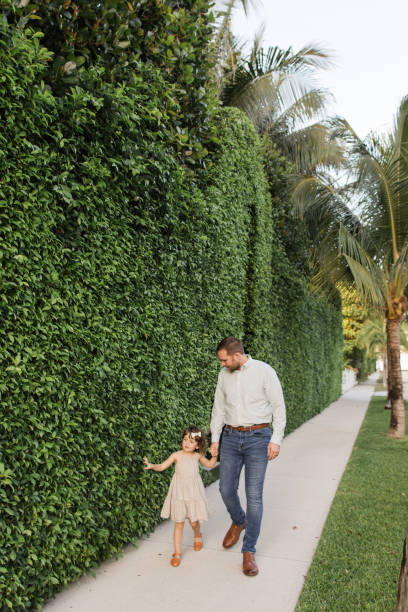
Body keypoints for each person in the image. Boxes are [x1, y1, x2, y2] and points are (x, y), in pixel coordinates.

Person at [209, 336, 286, 577]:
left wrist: (276, 440)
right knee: (225, 489)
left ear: (236, 356)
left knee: (254, 495)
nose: (222, 364)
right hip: (231, 437)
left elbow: (279, 407)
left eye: (224, 360)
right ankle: (238, 520)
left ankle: (249, 550)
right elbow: (218, 408)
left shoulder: (264, 372)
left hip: (258, 438)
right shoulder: (224, 375)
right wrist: (214, 439)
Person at [143, 426, 217, 567]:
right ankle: (176, 553)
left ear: (197, 445)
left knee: (193, 522)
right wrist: (152, 465)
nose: (187, 443)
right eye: (185, 439)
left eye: (191, 441)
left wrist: (214, 455)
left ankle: (197, 535)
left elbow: (211, 464)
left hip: (193, 493)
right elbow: (162, 466)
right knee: (179, 523)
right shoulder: (176, 455)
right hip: (179, 494)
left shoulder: (198, 456)